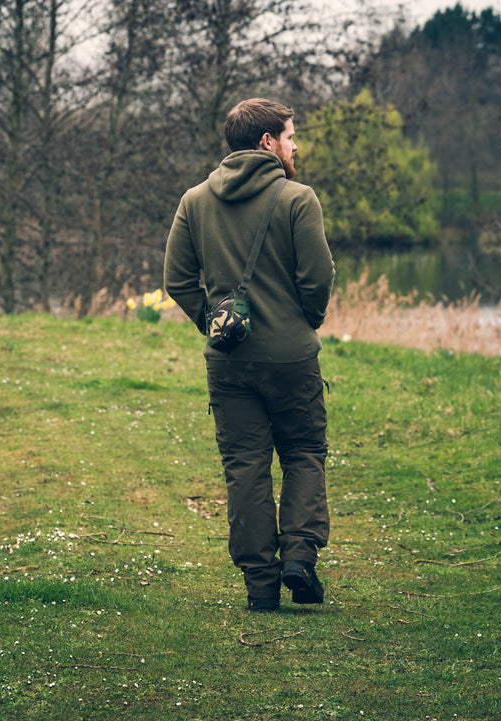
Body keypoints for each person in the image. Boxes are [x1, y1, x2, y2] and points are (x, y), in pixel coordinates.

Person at [164, 98, 335, 612]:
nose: (295, 144)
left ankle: (261, 586)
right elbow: (319, 277)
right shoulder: (298, 197)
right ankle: (299, 560)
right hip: (292, 360)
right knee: (303, 454)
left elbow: (176, 280)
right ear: (267, 143)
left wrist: (217, 326)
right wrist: (306, 321)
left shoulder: (194, 200)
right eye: (289, 135)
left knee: (245, 466)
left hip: (229, 364)